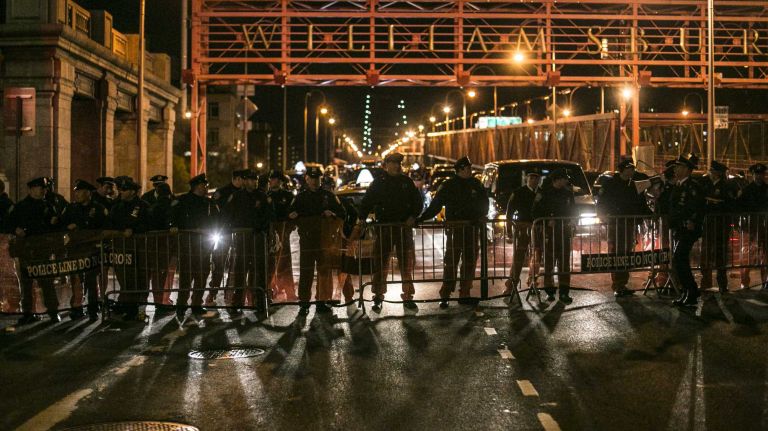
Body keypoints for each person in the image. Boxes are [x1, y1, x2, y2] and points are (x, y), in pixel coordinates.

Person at [418, 156, 488, 308]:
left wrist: (480, 216)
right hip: (456, 228)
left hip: (471, 228)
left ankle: (465, 292)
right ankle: (446, 293)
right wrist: (423, 218)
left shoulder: (476, 184)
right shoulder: (449, 185)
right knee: (451, 261)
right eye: (468, 168)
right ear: (461, 169)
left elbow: (484, 203)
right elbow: (436, 205)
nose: (471, 170)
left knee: (469, 261)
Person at [359, 152, 423, 311]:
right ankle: (378, 296)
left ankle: (408, 296)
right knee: (380, 264)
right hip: (384, 228)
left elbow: (417, 202)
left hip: (403, 228)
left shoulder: (406, 182)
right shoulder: (379, 183)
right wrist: (361, 218)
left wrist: (413, 216)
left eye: (398, 163)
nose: (396, 166)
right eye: (393, 163)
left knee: (406, 265)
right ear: (386, 164)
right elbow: (366, 202)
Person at [289, 166, 345, 315]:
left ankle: (322, 301)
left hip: (324, 239)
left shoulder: (328, 196)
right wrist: (292, 215)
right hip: (307, 240)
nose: (314, 181)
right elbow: (289, 214)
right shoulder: (300, 197)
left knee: (324, 272)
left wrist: (332, 213)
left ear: (321, 179)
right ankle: (304, 303)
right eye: (311, 178)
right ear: (307, 179)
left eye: (317, 178)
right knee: (306, 271)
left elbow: (342, 212)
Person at [6, 177, 61, 324]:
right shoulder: (20, 207)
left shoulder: (49, 206)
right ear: (31, 189)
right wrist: (15, 229)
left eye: (44, 188)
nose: (43, 190)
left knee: (47, 282)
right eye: (40, 188)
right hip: (27, 250)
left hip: (43, 250)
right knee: (27, 282)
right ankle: (28, 312)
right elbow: (7, 223)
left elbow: (55, 227)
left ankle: (53, 311)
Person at [596, 159, 651, 297]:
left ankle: (623, 283)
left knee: (626, 253)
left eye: (632, 168)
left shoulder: (632, 185)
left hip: (629, 223)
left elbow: (641, 203)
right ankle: (618, 284)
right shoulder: (610, 184)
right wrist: (603, 216)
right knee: (616, 252)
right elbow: (601, 202)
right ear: (622, 169)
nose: (632, 171)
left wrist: (650, 214)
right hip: (615, 223)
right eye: (629, 168)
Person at [222, 170, 273, 315]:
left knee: (259, 271)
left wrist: (261, 228)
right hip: (241, 239)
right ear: (244, 181)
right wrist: (233, 229)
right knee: (240, 270)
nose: (254, 182)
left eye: (255, 180)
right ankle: (237, 302)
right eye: (251, 180)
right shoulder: (237, 196)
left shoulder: (262, 196)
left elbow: (269, 214)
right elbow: (227, 214)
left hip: (258, 238)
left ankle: (259, 302)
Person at [171, 173, 218, 319]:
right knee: (186, 277)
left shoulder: (208, 203)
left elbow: (216, 219)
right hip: (188, 246)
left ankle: (196, 304)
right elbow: (173, 216)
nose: (206, 188)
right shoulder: (183, 201)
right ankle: (181, 305)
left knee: (202, 276)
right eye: (205, 185)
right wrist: (174, 226)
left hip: (204, 246)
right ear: (198, 186)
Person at [60, 180, 108, 320]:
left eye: (81, 192)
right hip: (75, 250)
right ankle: (77, 307)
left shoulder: (98, 208)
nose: (77, 194)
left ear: (88, 193)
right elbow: (61, 224)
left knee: (91, 280)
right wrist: (68, 227)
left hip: (92, 251)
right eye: (76, 191)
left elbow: (103, 227)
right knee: (76, 280)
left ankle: (93, 307)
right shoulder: (71, 208)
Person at [108, 179, 151, 320]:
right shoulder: (117, 206)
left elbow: (148, 224)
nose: (121, 192)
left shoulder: (143, 206)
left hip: (140, 249)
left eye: (124, 190)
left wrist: (133, 229)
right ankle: (128, 309)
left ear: (132, 191)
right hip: (122, 249)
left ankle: (139, 311)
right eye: (120, 190)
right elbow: (111, 223)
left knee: (141, 280)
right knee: (125, 279)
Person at [532, 169, 577, 304]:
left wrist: (574, 221)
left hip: (564, 232)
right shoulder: (544, 192)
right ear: (557, 179)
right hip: (549, 233)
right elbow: (535, 211)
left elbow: (574, 210)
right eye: (564, 178)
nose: (566, 181)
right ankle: (549, 290)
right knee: (549, 262)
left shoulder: (568, 193)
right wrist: (546, 220)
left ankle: (564, 291)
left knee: (564, 263)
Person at [668, 154, 707, 307]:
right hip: (679, 227)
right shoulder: (678, 185)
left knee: (679, 259)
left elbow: (699, 207)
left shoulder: (693, 186)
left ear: (686, 170)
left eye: (678, 167)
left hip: (688, 228)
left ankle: (691, 291)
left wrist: (693, 221)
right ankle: (688, 291)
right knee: (679, 260)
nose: (675, 169)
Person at [208, 169, 247, 306]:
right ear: (237, 179)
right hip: (223, 231)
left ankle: (231, 296)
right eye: (243, 179)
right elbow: (214, 210)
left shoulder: (244, 193)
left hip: (238, 232)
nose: (245, 182)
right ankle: (212, 293)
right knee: (219, 263)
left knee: (237, 265)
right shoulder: (223, 192)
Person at [700, 160, 738, 293]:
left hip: (720, 226)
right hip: (709, 225)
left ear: (717, 173)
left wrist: (716, 204)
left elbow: (730, 205)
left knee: (720, 255)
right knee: (705, 254)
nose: (710, 173)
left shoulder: (725, 187)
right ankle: (706, 282)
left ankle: (722, 284)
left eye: (712, 171)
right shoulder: (707, 185)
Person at [504, 170, 541, 294]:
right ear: (527, 179)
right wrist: (509, 229)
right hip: (522, 227)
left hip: (537, 228)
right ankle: (511, 284)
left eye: (536, 178)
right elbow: (509, 212)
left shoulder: (541, 193)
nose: (534, 181)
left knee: (536, 256)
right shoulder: (519, 193)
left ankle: (533, 283)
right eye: (532, 178)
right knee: (519, 257)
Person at [267, 170, 297, 301]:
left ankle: (290, 291)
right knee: (270, 262)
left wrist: (289, 228)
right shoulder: (265, 195)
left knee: (285, 262)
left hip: (283, 231)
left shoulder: (287, 196)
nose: (275, 181)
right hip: (269, 232)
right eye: (273, 179)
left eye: (278, 179)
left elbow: (293, 214)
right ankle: (271, 290)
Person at [738, 162, 768, 289]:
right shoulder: (747, 190)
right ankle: (745, 282)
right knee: (747, 256)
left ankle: (765, 281)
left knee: (765, 256)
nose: (759, 177)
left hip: (764, 227)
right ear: (753, 175)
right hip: (750, 227)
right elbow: (739, 207)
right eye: (757, 174)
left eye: (761, 174)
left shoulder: (766, 189)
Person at [145, 182, 174, 310]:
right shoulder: (173, 206)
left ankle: (159, 301)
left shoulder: (153, 208)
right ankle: (162, 301)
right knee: (164, 274)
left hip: (155, 244)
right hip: (168, 245)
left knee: (157, 274)